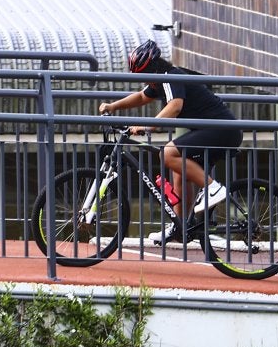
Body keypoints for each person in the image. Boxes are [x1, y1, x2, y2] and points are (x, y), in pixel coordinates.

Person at [98, 39, 243, 244]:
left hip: (222, 130)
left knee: (167, 153)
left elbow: (175, 106)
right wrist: (113, 107)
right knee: (178, 171)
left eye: (144, 74)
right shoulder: (158, 81)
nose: (143, 80)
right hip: (212, 130)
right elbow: (141, 97)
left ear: (154, 67)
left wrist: (149, 126)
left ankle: (213, 188)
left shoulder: (170, 76)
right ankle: (180, 227)